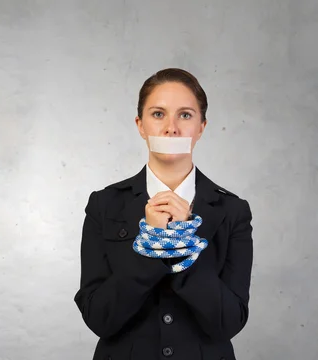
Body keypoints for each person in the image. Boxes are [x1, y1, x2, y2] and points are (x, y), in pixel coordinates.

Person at [73, 68, 254, 360]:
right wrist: (154, 244)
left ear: (202, 127)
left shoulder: (232, 211)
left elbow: (228, 322)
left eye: (185, 115)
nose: (171, 128)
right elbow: (99, 318)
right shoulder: (104, 205)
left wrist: (180, 242)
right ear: (140, 125)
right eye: (158, 114)